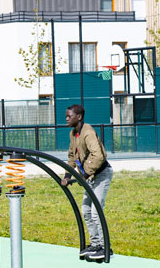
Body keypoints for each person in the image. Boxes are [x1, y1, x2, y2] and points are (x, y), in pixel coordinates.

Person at [61, 104, 113, 261]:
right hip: (90, 176)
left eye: (69, 116)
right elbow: (72, 157)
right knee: (86, 210)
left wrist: (85, 175)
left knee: (96, 211)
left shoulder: (87, 132)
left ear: (79, 117)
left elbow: (98, 155)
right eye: (66, 116)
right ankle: (95, 244)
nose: (66, 118)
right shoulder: (74, 134)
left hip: (101, 174)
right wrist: (67, 176)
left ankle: (105, 248)